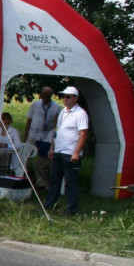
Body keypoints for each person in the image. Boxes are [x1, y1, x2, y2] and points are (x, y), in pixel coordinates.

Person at [45, 86, 89, 216]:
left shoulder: (81, 113)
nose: (65, 99)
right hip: (59, 150)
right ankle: (50, 205)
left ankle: (71, 209)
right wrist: (52, 147)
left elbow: (83, 134)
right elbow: (57, 131)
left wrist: (76, 153)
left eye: (68, 96)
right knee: (54, 180)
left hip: (70, 152)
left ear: (75, 98)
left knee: (71, 183)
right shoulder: (63, 112)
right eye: (63, 96)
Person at [24, 86, 60, 191]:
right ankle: (25, 179)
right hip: (33, 134)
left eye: (48, 96)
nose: (46, 97)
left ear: (51, 96)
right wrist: (26, 135)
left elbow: (57, 122)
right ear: (41, 95)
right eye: (44, 95)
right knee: (26, 156)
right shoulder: (35, 104)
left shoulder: (56, 107)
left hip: (47, 134)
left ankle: (42, 183)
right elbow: (29, 119)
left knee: (43, 157)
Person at [0, 111, 22, 176]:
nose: (1, 121)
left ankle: (2, 173)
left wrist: (5, 145)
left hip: (10, 157)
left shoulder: (14, 132)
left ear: (8, 121)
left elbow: (18, 145)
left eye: (3, 120)